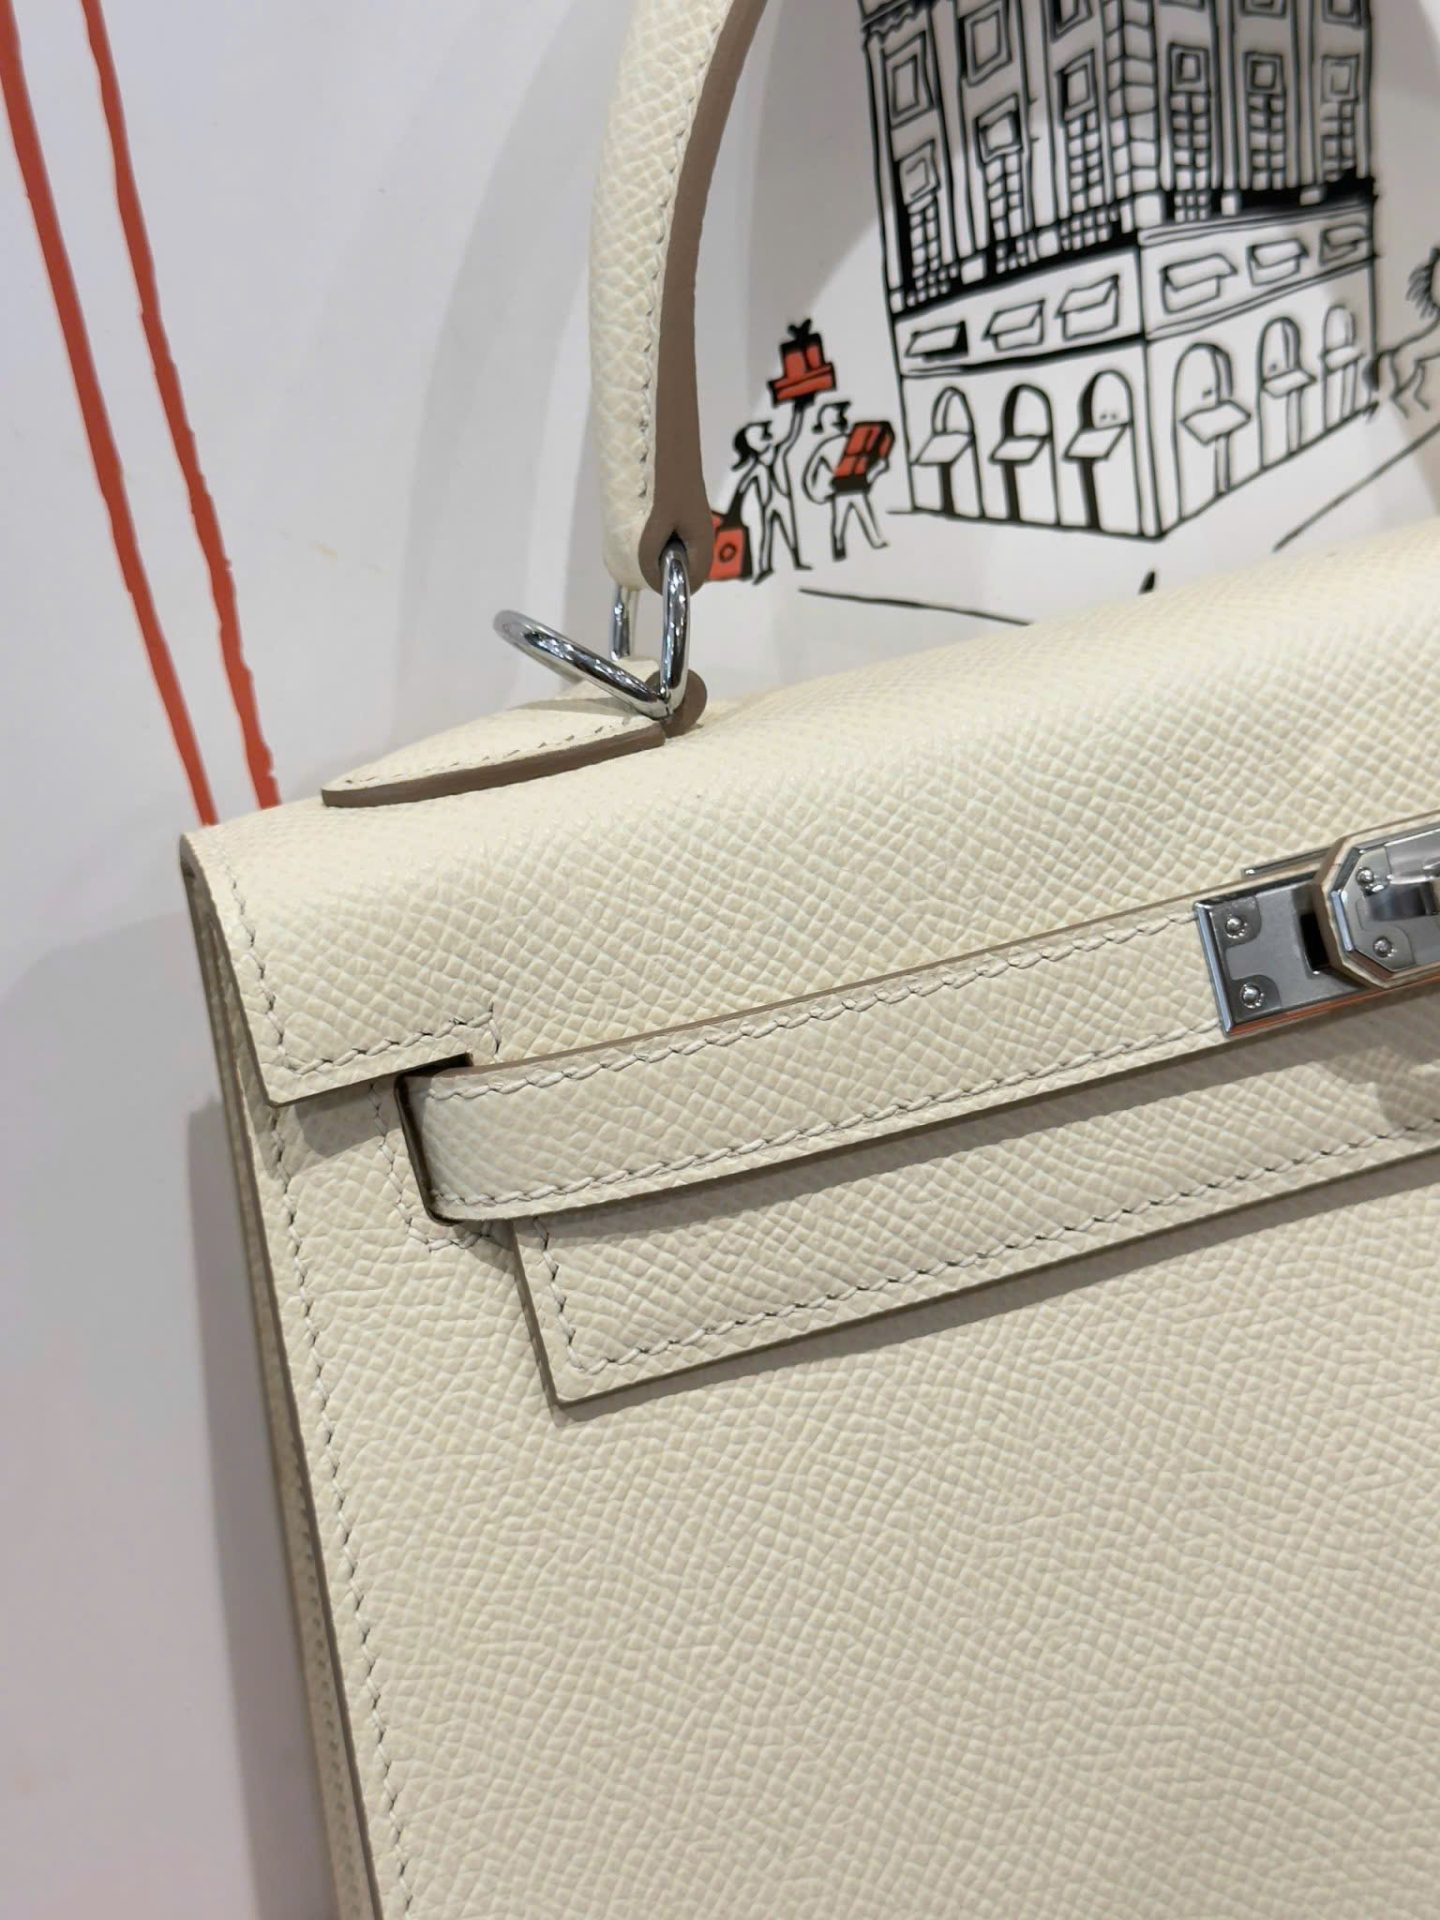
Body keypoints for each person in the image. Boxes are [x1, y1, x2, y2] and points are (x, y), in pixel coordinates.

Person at [728, 393, 810, 579]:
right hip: (768, 503)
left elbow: (793, 435)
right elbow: (742, 487)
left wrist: (799, 411)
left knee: (790, 531)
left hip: (783, 498)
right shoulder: (757, 467)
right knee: (767, 534)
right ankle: (765, 565)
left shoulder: (778, 453)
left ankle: (796, 560)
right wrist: (734, 509)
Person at [803, 400, 890, 561]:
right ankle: (841, 546)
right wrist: (817, 493)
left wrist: (875, 470)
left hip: (855, 485)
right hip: (841, 488)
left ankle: (872, 541)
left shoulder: (856, 442)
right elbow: (810, 474)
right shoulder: (827, 446)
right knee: (841, 521)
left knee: (862, 516)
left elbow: (810, 474)